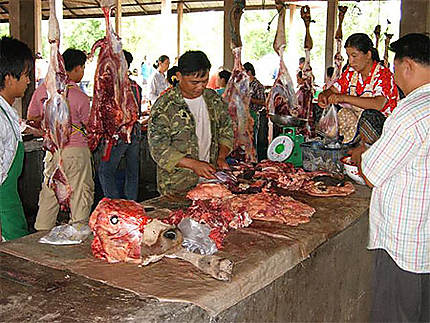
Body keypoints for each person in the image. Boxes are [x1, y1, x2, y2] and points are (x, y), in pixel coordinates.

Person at [351, 33, 430, 322]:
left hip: (404, 245)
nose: (394, 76)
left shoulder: (410, 112)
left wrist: (361, 156)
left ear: (407, 66)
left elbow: (373, 174)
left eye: (395, 69)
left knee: (395, 315)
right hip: (426, 239)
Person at [148, 50, 233, 196]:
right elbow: (158, 148)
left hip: (210, 181)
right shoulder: (165, 106)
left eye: (204, 81)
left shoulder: (212, 99)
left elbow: (226, 129)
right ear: (179, 76)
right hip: (177, 186)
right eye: (194, 82)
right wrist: (193, 164)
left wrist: (221, 156)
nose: (200, 87)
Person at [28, 48, 94, 231]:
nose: (83, 72)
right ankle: (78, 232)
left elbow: (32, 118)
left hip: (52, 152)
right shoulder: (80, 96)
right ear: (76, 68)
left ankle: (40, 233)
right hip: (76, 152)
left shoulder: (43, 90)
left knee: (49, 194)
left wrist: (48, 128)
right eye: (82, 68)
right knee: (80, 194)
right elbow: (90, 125)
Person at [318, 33, 398, 144]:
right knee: (343, 114)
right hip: (359, 128)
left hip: (382, 130)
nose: (350, 61)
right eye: (348, 56)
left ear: (368, 55)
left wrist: (343, 98)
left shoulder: (383, 75)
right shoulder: (351, 73)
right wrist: (324, 96)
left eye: (354, 56)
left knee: (370, 116)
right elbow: (333, 90)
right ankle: (350, 145)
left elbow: (378, 104)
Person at [0, 36, 33, 241]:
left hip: (10, 209)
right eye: (25, 75)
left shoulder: (7, 112)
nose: (28, 81)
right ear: (8, 79)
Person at [98, 50, 141, 201]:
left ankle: (114, 204)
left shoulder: (112, 88)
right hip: (135, 131)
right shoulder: (135, 86)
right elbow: (137, 112)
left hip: (119, 135)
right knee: (132, 171)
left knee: (105, 171)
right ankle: (131, 203)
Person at [243, 62, 268, 161]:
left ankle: (259, 161)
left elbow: (263, 102)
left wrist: (250, 99)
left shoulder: (258, 85)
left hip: (257, 114)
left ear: (249, 72)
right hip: (246, 115)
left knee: (257, 140)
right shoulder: (244, 84)